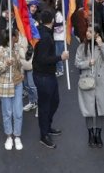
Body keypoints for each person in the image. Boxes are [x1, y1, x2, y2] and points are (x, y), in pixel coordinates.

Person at [33, 10, 68, 149]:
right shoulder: (45, 37)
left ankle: (47, 127)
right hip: (43, 76)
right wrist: (61, 57)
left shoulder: (43, 32)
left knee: (54, 101)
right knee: (45, 106)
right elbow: (43, 59)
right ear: (52, 21)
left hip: (47, 74)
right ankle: (44, 134)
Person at [75, 26, 104, 148]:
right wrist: (88, 63)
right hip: (87, 82)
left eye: (91, 32)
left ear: (97, 34)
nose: (87, 33)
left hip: (101, 82)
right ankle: (90, 134)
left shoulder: (103, 46)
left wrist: (101, 45)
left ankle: (98, 134)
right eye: (87, 31)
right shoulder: (82, 47)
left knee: (99, 110)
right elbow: (77, 63)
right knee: (89, 110)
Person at [0, 27, 25, 150]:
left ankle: (17, 136)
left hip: (17, 85)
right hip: (5, 87)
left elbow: (21, 64)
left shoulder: (16, 49)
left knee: (18, 112)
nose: (18, 37)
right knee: (7, 113)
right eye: (16, 35)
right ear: (11, 37)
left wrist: (21, 74)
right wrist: (6, 63)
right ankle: (9, 136)